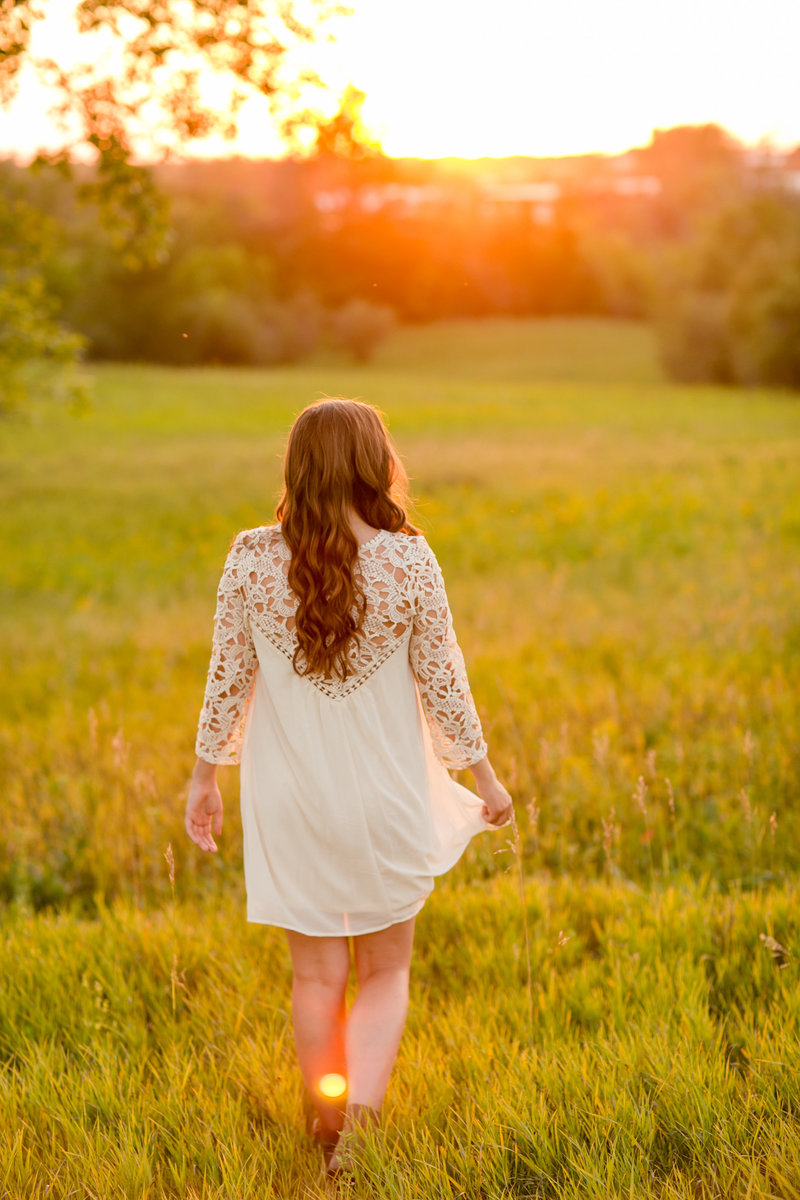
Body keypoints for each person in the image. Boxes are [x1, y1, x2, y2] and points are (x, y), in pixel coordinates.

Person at [185, 397, 513, 1178]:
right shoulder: (409, 558)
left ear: (296, 467)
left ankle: (321, 1118)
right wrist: (485, 777)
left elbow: (227, 676)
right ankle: (359, 1128)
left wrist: (205, 777)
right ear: (376, 464)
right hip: (385, 791)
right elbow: (445, 681)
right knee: (387, 969)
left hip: (289, 794)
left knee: (315, 973)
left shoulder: (250, 556)